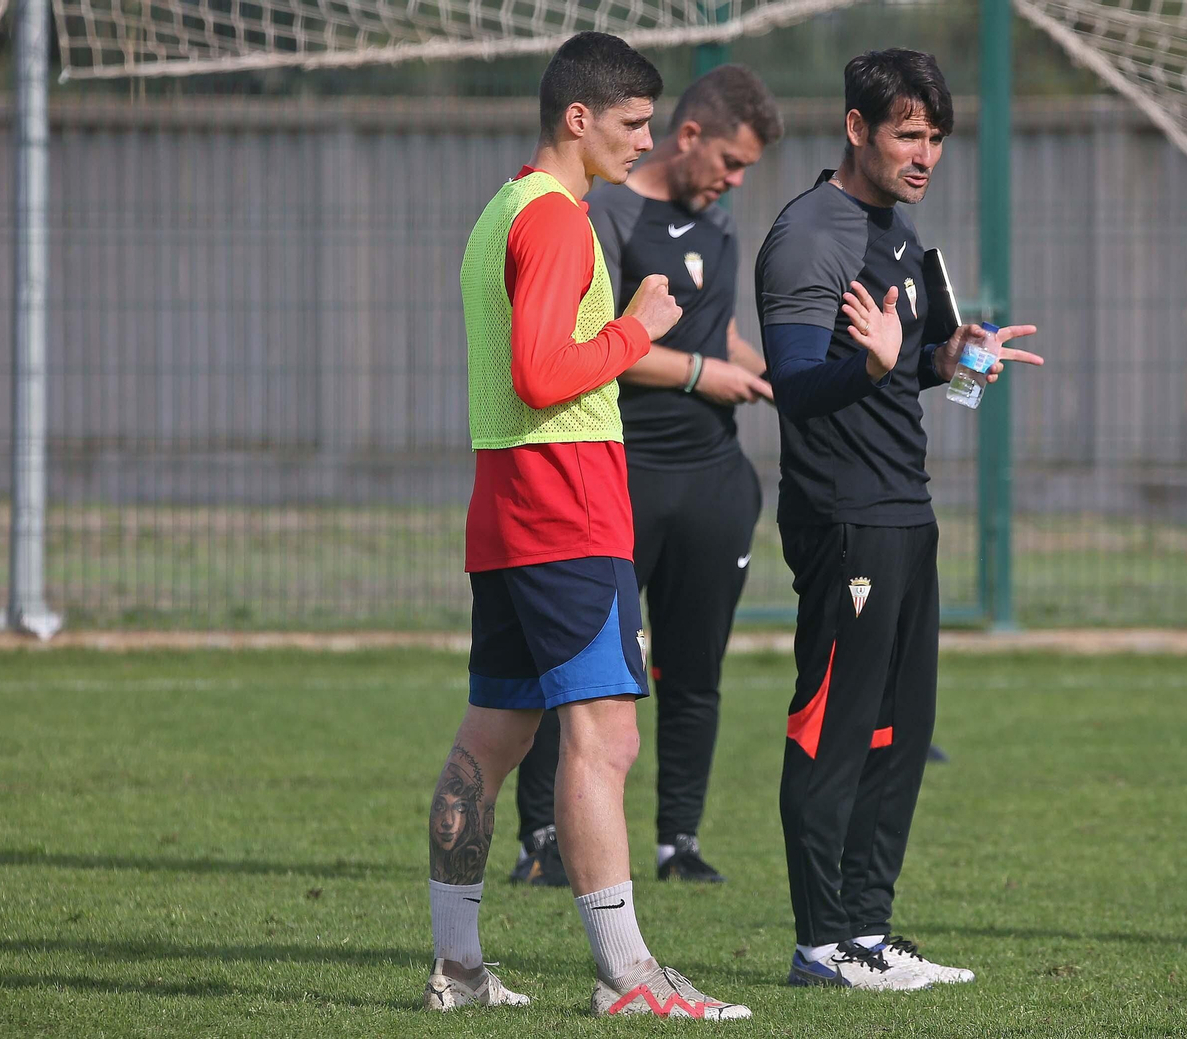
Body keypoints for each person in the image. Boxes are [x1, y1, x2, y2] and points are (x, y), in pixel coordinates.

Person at [421, 30, 750, 1020]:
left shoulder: (501, 210)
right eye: (632, 125)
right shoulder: (560, 219)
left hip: (509, 507)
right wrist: (636, 331)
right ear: (579, 118)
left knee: (489, 743)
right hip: (566, 506)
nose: (645, 145)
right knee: (605, 739)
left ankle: (459, 966)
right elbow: (541, 372)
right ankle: (628, 975)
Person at [753, 48, 1042, 991]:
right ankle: (821, 942)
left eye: (936, 138)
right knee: (834, 727)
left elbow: (909, 364)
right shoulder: (807, 237)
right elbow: (796, 387)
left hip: (905, 512)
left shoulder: (901, 235)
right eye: (907, 135)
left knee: (900, 730)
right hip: (844, 519)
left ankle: (870, 933)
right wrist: (875, 367)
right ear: (856, 129)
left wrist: (961, 356)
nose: (925, 155)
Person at [508, 64, 781, 889]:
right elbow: (608, 345)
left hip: (714, 479)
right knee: (583, 671)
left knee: (695, 669)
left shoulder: (721, 224)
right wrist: (701, 373)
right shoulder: (604, 214)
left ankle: (680, 841)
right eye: (730, 162)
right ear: (688, 135)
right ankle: (543, 839)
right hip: (623, 473)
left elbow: (718, 333)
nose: (735, 182)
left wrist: (776, 374)